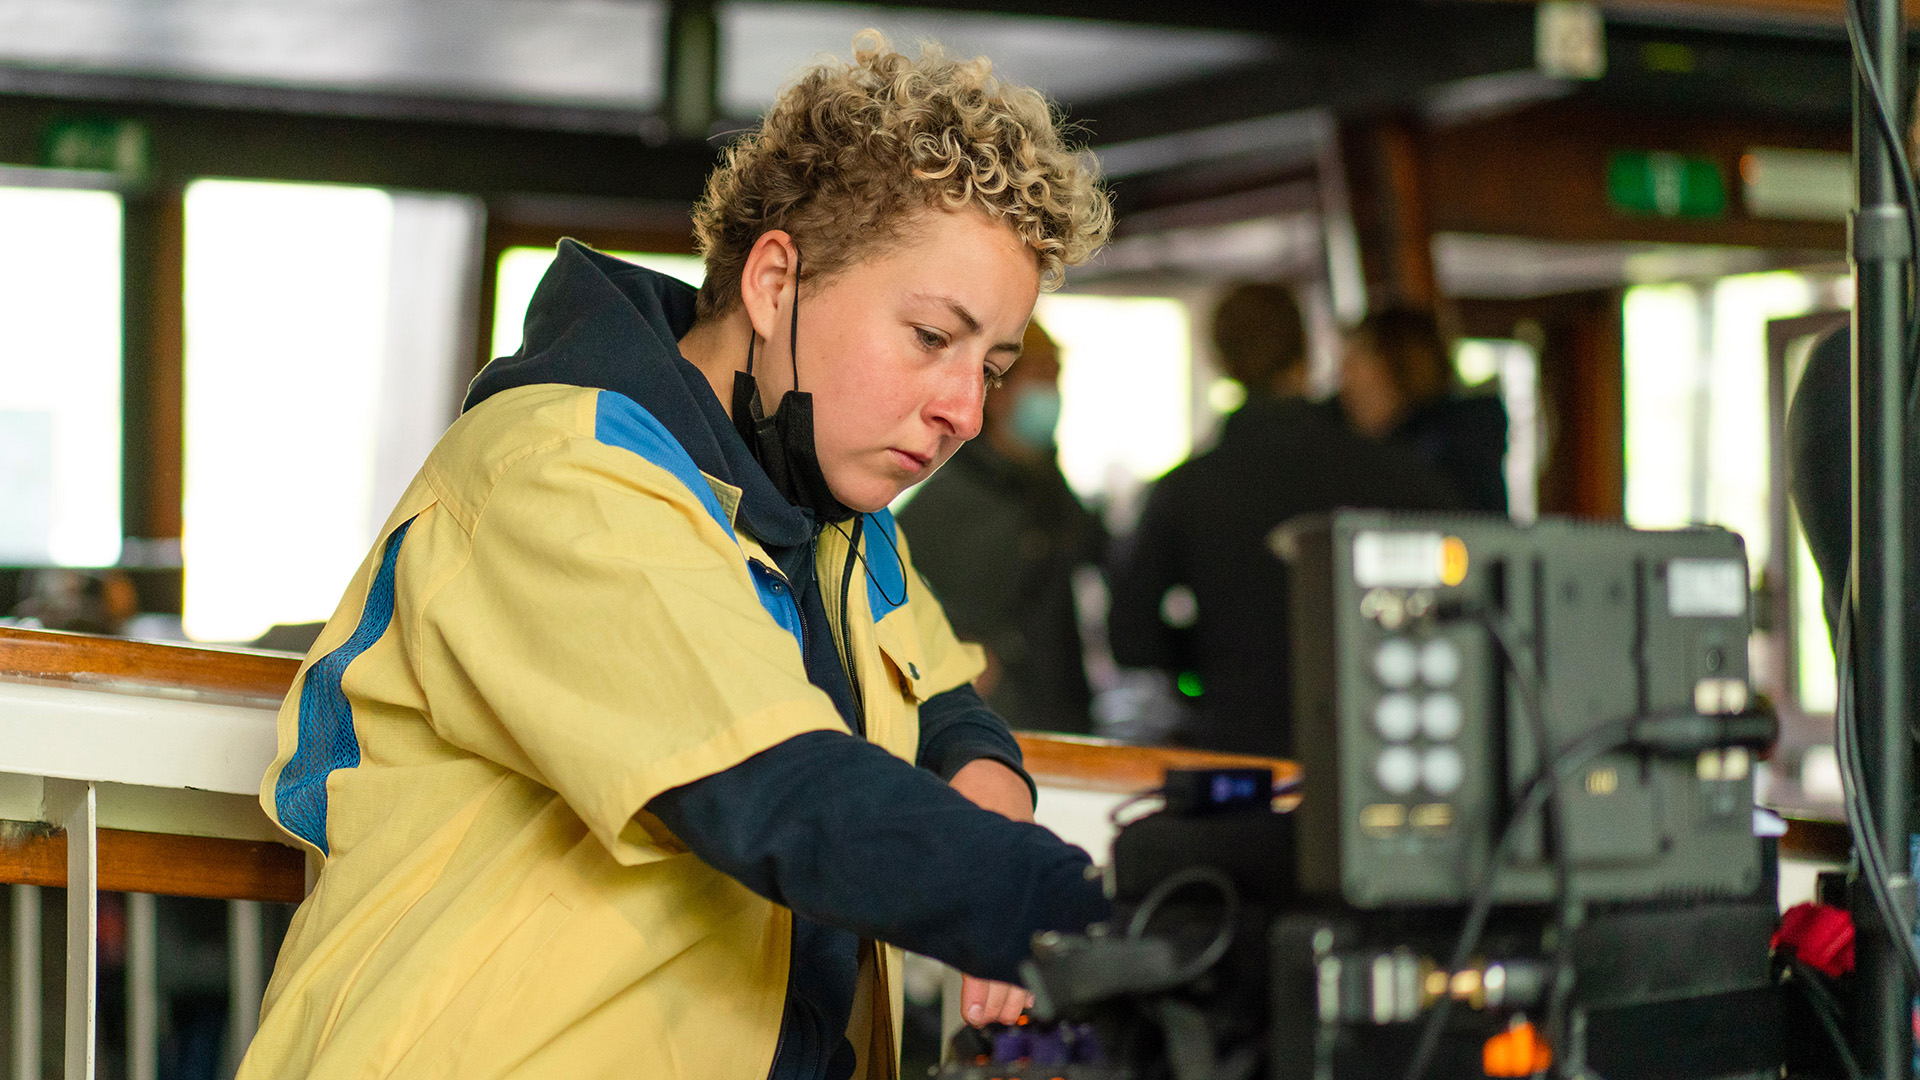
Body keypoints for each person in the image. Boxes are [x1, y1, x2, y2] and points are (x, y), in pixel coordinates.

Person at [240, 34, 1112, 1080]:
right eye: (932, 336)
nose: (966, 409)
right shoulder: (558, 475)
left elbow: (944, 704)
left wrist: (986, 781)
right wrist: (1074, 916)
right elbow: (777, 790)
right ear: (776, 281)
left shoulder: (837, 521)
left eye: (994, 364)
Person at [1108, 284, 1458, 757]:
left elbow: (1131, 638)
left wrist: (1213, 661)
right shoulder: (1400, 478)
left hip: (1239, 753)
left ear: (1220, 362)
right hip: (1375, 743)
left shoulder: (1186, 489)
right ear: (1307, 355)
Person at [896, 321, 1103, 734]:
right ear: (998, 388)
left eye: (1057, 378)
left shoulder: (1048, 489)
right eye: (1041, 377)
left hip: (1062, 719)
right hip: (990, 728)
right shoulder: (946, 503)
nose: (1052, 395)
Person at [1339, 305, 1510, 514]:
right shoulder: (1459, 443)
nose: (1344, 381)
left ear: (1392, 367)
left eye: (1353, 362)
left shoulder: (1447, 458)